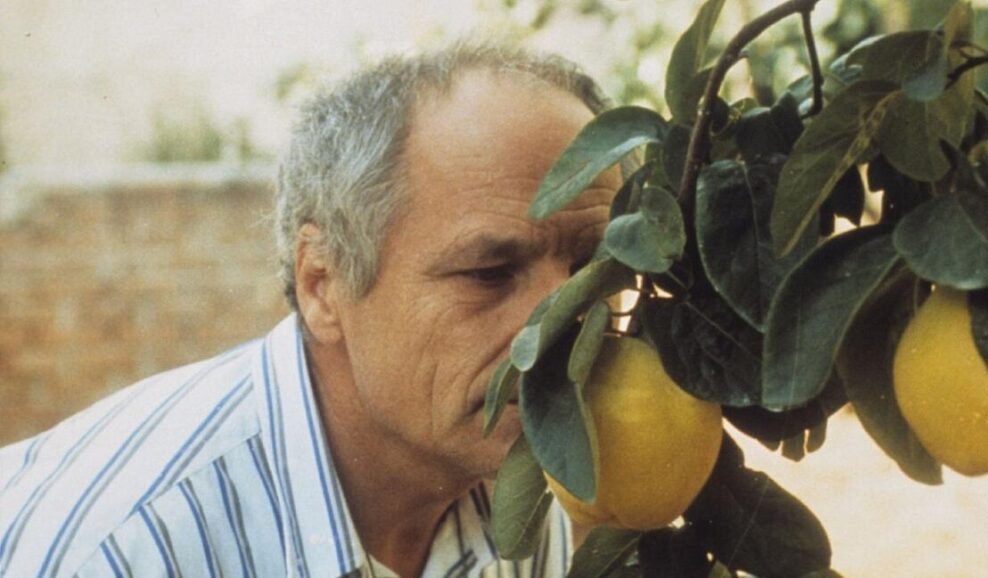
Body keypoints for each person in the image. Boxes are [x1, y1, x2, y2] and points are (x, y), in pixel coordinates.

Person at [0, 41, 621, 578]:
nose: (565, 320)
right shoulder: (126, 548)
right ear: (322, 285)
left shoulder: (525, 501)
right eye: (490, 274)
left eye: (593, 268)